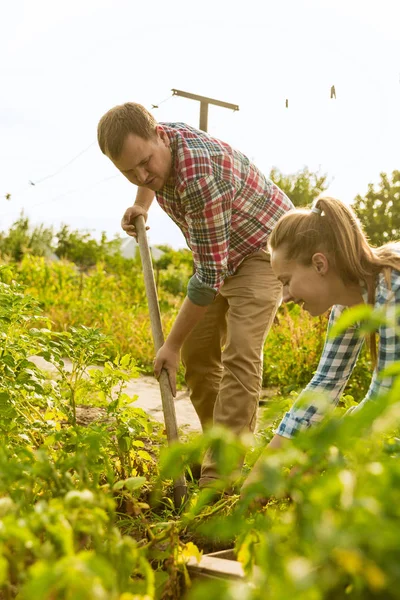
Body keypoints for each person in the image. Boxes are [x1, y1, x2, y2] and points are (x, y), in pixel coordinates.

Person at [97, 102, 293, 488]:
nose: (142, 173)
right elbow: (210, 266)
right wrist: (141, 203)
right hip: (219, 248)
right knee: (198, 353)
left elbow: (207, 279)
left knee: (240, 353)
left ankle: (220, 478)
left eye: (146, 162)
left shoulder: (200, 177)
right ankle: (216, 446)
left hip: (265, 249)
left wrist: (168, 345)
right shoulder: (155, 146)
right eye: (129, 170)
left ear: (158, 134)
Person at [242, 196, 400, 491]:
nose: (285, 297)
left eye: (286, 281)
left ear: (319, 264)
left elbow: (387, 401)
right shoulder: (348, 303)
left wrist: (314, 461)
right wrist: (261, 475)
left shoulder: (394, 290)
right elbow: (325, 384)